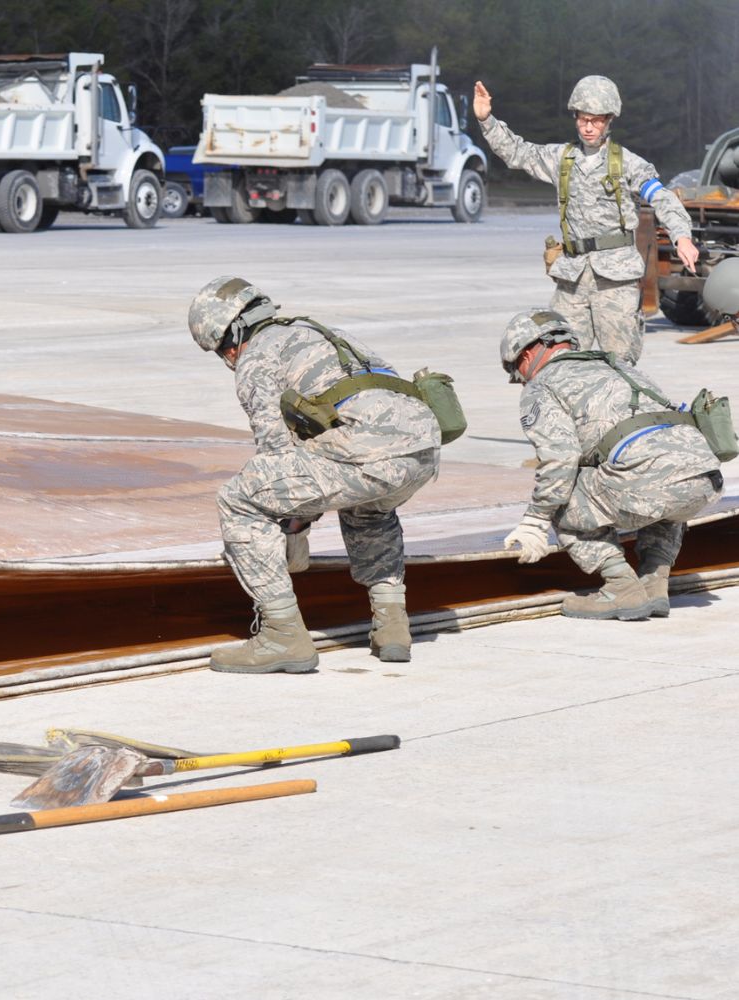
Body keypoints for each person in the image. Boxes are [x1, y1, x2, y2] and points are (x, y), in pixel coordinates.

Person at [187, 277, 441, 673]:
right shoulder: (320, 332)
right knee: (368, 506)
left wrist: (293, 530)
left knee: (240, 498)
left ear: (232, 334)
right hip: (423, 448)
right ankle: (392, 626)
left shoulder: (256, 359)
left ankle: (282, 635)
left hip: (367, 452)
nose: (229, 357)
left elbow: (276, 455)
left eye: (222, 348)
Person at [500, 309, 722, 618]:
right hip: (705, 478)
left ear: (525, 354)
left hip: (652, 484)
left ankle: (621, 587)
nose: (522, 380)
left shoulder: (543, 384)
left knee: (563, 495)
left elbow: (559, 459)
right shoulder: (617, 365)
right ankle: (654, 583)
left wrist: (535, 520)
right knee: (664, 481)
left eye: (517, 372)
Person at [473, 76, 699, 365]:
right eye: (583, 119)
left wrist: (681, 236)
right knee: (562, 361)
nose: (589, 127)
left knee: (619, 365)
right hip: (572, 279)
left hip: (615, 281)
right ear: (575, 117)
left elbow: (661, 198)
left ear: (609, 120)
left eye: (596, 120)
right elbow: (518, 152)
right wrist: (487, 120)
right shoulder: (562, 158)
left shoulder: (627, 164)